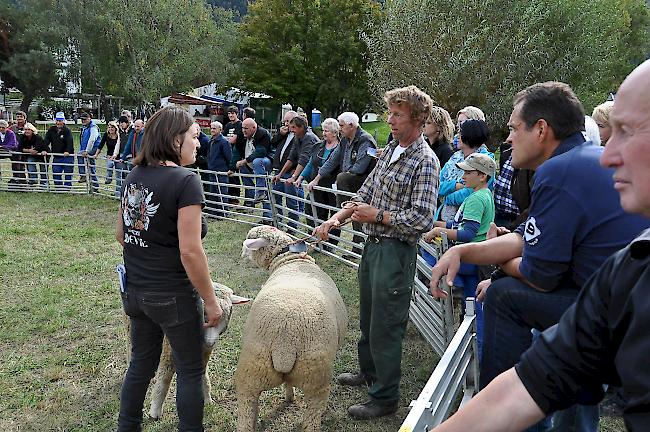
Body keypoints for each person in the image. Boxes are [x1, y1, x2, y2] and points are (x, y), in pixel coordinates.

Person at [432, 59, 650, 432]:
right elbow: (524, 239)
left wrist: (500, 271)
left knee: (504, 295)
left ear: (542, 130)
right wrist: (463, 251)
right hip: (600, 310)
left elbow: (541, 276)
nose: (509, 138)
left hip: (601, 314)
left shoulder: (558, 170)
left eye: (515, 128)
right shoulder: (580, 163)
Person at [315, 85, 439, 419]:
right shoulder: (393, 150)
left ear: (416, 118)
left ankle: (384, 398)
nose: (390, 120)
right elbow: (366, 191)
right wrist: (335, 219)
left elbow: (423, 218)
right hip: (373, 248)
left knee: (386, 324)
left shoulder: (425, 161)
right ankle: (369, 373)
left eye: (397, 114)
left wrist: (379, 216)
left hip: (395, 252)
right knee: (369, 317)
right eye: (390, 113)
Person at [115, 106, 223, 431]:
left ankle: (127, 426)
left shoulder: (134, 175)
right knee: (189, 370)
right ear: (176, 140)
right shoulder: (186, 181)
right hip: (173, 296)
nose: (198, 144)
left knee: (140, 365)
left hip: (136, 292)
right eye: (194, 137)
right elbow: (190, 251)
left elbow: (122, 235)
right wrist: (212, 301)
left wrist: (150, 256)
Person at [424, 153, 496, 356]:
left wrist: (439, 231)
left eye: (467, 172)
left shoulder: (475, 199)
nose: (462, 176)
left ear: (482, 176)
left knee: (430, 259)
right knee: (473, 307)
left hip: (470, 257)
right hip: (479, 259)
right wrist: (438, 224)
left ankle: (476, 353)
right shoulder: (485, 195)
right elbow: (462, 225)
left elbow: (467, 233)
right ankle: (475, 352)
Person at [318, 111, 377, 255]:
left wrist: (343, 175)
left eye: (342, 125)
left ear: (352, 126)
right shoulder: (345, 140)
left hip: (364, 186)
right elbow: (332, 160)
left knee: (359, 217)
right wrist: (317, 177)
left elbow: (360, 167)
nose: (339, 128)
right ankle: (356, 248)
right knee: (356, 217)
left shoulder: (366, 141)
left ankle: (359, 248)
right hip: (351, 186)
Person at [297, 118, 341, 248]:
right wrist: (300, 177)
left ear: (335, 132)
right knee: (313, 210)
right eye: (323, 130)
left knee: (333, 215)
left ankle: (331, 243)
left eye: (327, 131)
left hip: (333, 186)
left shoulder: (341, 148)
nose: (324, 133)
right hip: (316, 185)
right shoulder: (318, 146)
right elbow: (310, 164)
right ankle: (317, 238)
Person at [437, 119, 494, 221]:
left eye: (461, 133)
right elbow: (436, 185)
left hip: (469, 219)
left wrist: (446, 198)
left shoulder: (485, 161)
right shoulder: (455, 157)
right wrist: (456, 186)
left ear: (471, 135)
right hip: (442, 216)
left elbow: (471, 193)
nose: (457, 136)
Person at [262, 110, 298, 226]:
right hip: (278, 170)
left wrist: (296, 169)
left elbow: (302, 155)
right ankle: (278, 222)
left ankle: (293, 225)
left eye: (288, 121)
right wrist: (280, 134)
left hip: (290, 172)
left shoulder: (299, 136)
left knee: (291, 200)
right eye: (285, 121)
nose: (286, 124)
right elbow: (272, 143)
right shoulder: (285, 134)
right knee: (275, 197)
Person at [229, 118, 271, 204]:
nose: (243, 130)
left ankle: (261, 192)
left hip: (265, 160)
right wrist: (232, 168)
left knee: (257, 161)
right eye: (242, 128)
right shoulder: (241, 135)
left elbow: (260, 152)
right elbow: (236, 151)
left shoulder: (263, 134)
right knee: (244, 171)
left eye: (246, 128)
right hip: (248, 161)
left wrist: (244, 161)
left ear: (254, 127)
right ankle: (249, 203)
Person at [206, 121, 231, 217]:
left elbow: (228, 156)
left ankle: (223, 212)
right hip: (212, 169)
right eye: (211, 128)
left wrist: (228, 168)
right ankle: (213, 212)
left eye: (214, 128)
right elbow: (209, 154)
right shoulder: (211, 140)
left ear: (220, 130)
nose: (212, 130)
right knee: (213, 191)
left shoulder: (224, 141)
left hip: (221, 170)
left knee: (222, 191)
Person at [44, 112, 74, 189]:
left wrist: (68, 151)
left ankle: (67, 187)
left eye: (60, 121)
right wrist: (44, 149)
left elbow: (70, 142)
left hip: (67, 156)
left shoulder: (67, 130)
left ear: (63, 121)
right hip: (57, 156)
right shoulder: (51, 130)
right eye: (57, 120)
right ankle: (58, 187)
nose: (58, 122)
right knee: (56, 172)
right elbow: (46, 140)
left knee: (68, 173)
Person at [223, 106, 244, 205]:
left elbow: (233, 140)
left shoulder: (240, 125)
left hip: (236, 153)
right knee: (228, 175)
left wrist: (226, 139)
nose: (231, 115)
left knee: (234, 176)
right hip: (227, 152)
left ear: (237, 114)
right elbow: (224, 138)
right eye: (229, 113)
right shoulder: (227, 125)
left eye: (233, 113)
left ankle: (235, 198)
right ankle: (229, 197)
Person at [78, 112, 101, 190]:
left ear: (89, 119)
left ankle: (83, 175)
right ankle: (95, 186)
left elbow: (92, 139)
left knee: (80, 155)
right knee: (91, 168)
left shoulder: (93, 127)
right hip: (87, 149)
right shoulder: (85, 127)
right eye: (82, 119)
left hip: (93, 148)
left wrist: (87, 151)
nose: (83, 121)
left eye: (85, 119)